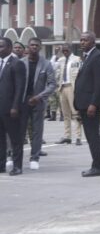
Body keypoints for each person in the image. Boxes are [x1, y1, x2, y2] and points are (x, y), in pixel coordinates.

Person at [73, 32, 100, 177]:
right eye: (81, 40)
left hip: (90, 105)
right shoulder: (87, 57)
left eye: (85, 40)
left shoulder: (97, 57)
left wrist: (93, 104)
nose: (82, 42)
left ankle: (98, 166)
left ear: (93, 42)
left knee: (93, 136)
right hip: (83, 104)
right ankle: (98, 164)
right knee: (90, 136)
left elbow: (99, 83)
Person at [21, 38, 57, 171]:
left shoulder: (46, 64)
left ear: (40, 47)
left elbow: (52, 84)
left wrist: (39, 96)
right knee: (19, 131)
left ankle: (34, 157)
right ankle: (13, 156)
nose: (34, 47)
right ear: (28, 47)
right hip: (22, 102)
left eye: (36, 45)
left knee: (37, 131)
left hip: (38, 102)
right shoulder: (21, 63)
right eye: (31, 45)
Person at [0, 38, 28, 175]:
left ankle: (17, 166)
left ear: (9, 48)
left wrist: (15, 106)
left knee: (15, 139)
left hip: (11, 108)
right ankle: (1, 164)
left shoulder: (17, 64)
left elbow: (19, 87)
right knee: (0, 139)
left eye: (1, 47)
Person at [52, 43, 83, 146]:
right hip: (62, 87)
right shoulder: (60, 60)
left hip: (72, 87)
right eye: (63, 51)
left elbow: (81, 73)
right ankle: (67, 136)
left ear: (71, 49)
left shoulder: (77, 59)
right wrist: (55, 55)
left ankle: (78, 137)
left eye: (66, 50)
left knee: (75, 113)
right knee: (65, 114)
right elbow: (52, 67)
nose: (65, 52)